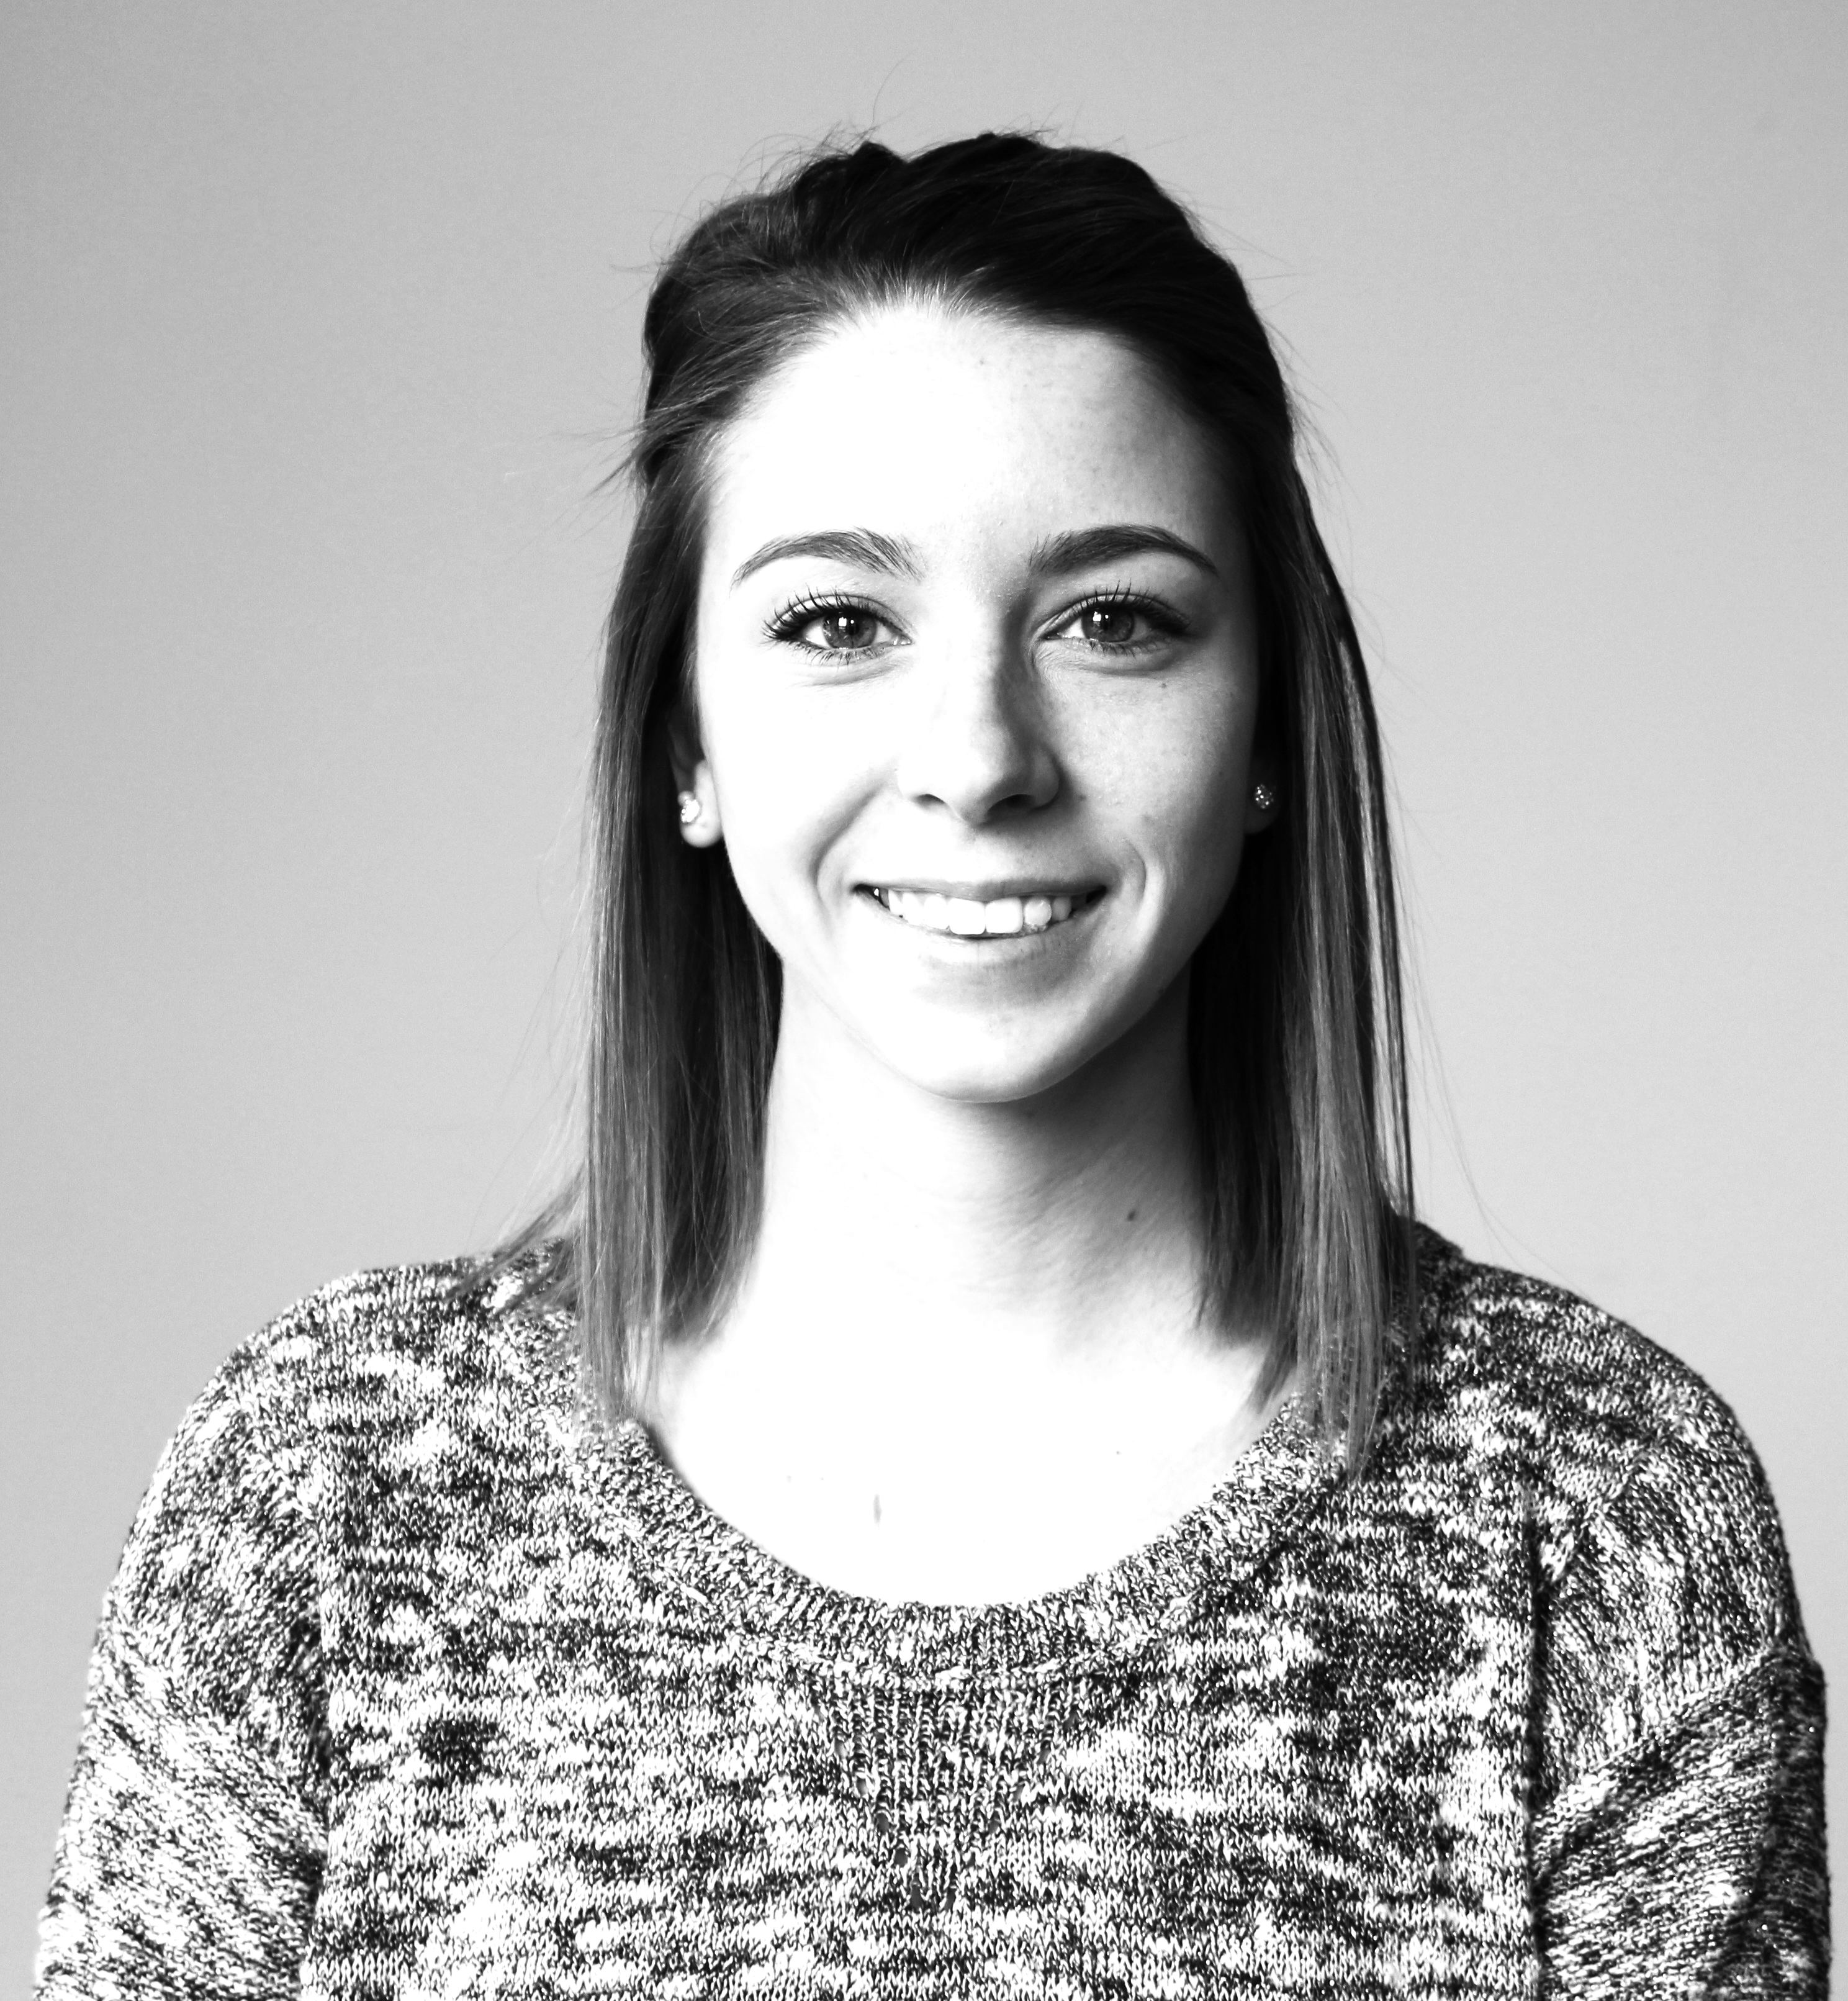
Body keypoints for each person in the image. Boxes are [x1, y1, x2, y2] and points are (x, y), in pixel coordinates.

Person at [38, 133, 1827, 1997]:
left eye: (1110, 622)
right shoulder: (333, 1488)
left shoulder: (1587, 1514)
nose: (978, 756)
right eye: (837, 624)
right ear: (686, 745)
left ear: (1266, 726)